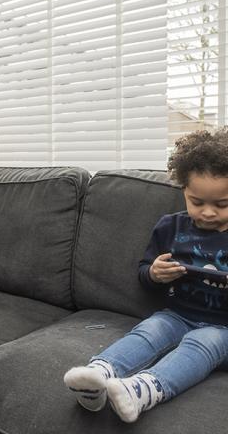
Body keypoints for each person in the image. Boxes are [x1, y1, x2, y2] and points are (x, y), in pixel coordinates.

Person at [63, 128, 228, 423]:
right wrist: (154, 273)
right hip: (176, 315)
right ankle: (98, 376)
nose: (208, 213)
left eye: (222, 204)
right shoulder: (170, 227)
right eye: (197, 201)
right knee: (150, 330)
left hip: (223, 330)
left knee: (202, 343)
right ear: (183, 191)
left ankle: (142, 390)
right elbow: (144, 273)